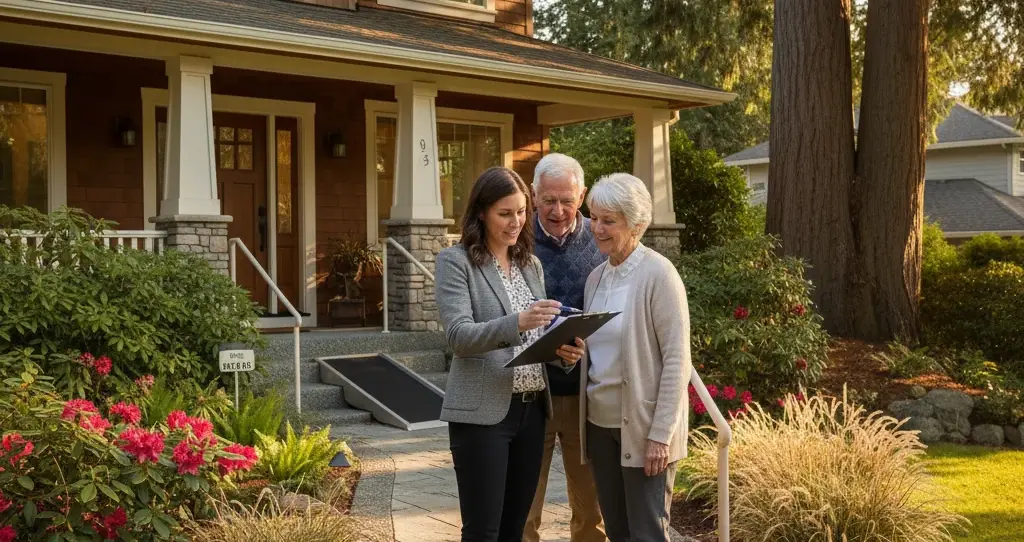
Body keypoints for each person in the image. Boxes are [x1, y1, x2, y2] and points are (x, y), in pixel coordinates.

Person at [435, 166, 586, 542]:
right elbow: (458, 337)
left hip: (533, 410)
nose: (516, 221)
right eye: (505, 213)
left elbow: (534, 338)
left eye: (521, 211)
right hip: (482, 414)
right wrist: (517, 321)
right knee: (484, 530)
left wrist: (561, 352)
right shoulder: (456, 262)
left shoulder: (529, 264)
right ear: (482, 212)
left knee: (514, 528)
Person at [578, 173, 692, 542]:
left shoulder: (659, 274)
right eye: (594, 217)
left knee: (647, 534)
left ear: (638, 225)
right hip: (599, 425)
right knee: (617, 531)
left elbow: (677, 359)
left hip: (644, 430)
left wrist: (661, 435)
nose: (597, 228)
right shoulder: (596, 277)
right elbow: (598, 349)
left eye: (609, 220)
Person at [524, 153, 607, 542]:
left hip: (585, 391)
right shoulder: (516, 238)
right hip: (530, 392)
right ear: (533, 193)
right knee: (523, 505)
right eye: (548, 200)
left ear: (583, 196)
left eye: (567, 200)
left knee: (592, 509)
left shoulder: (602, 237)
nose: (558, 210)